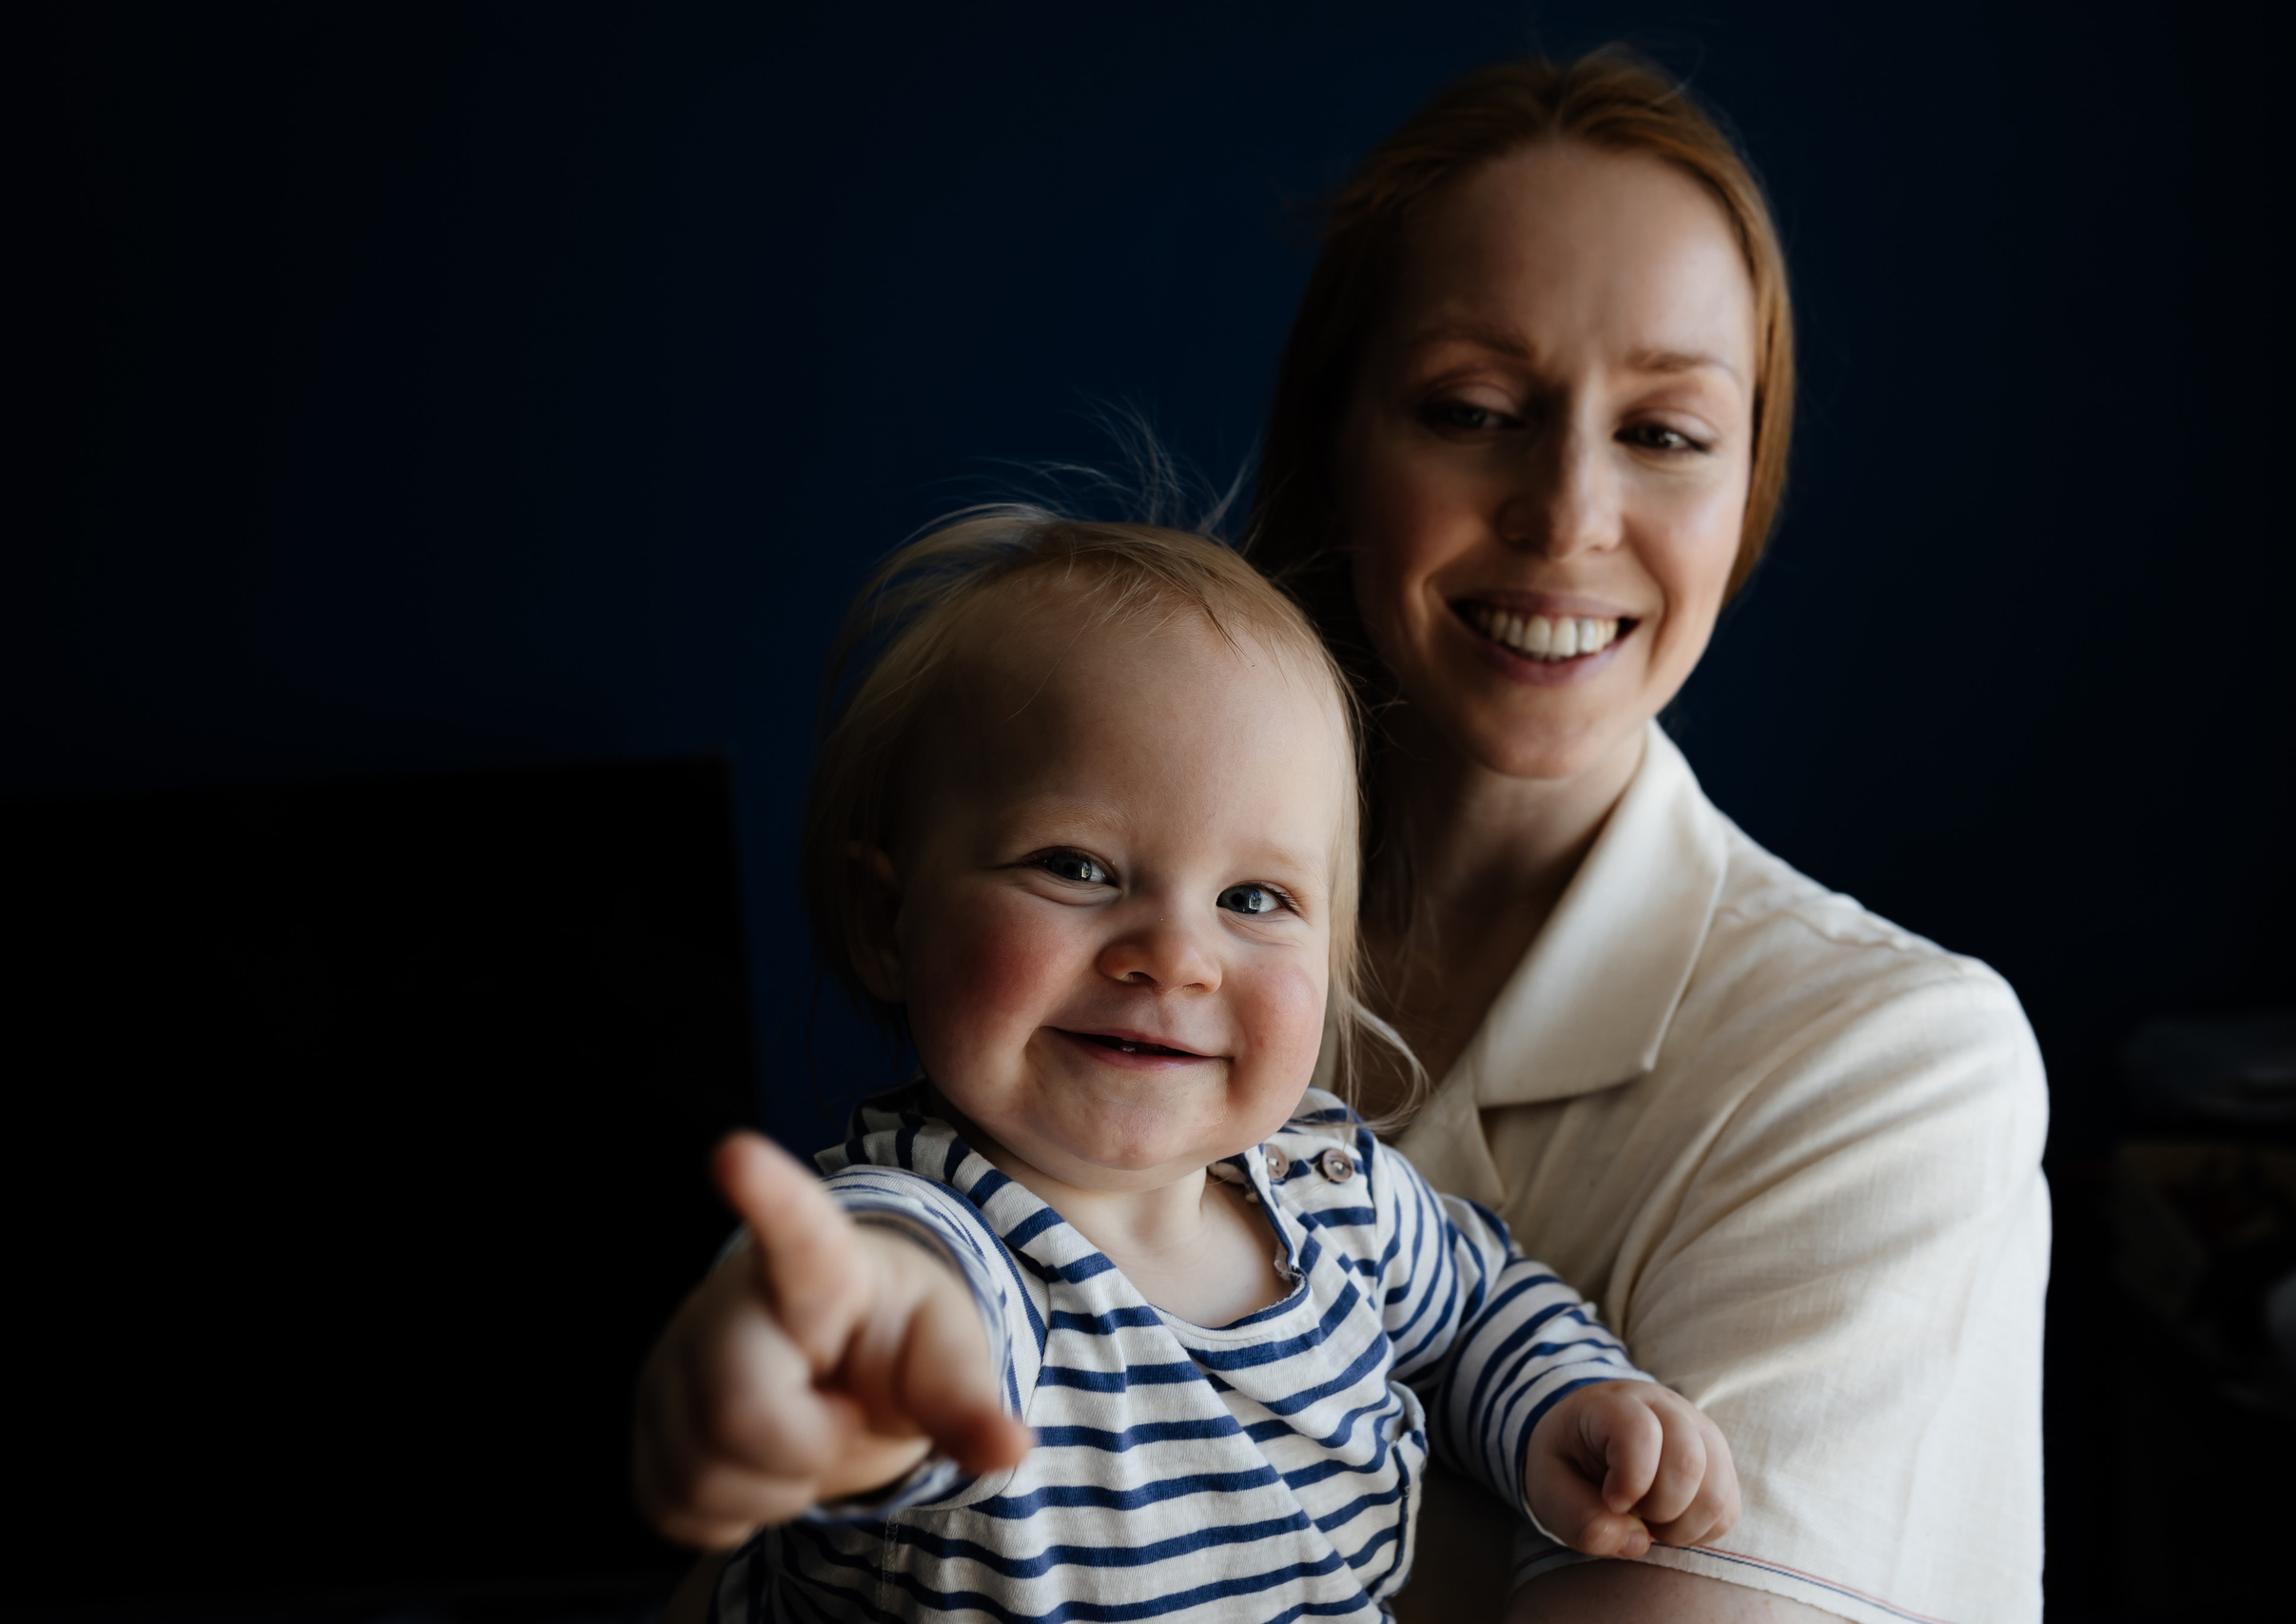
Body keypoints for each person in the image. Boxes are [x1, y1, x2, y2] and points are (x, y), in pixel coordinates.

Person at [1249, 51, 2050, 1624]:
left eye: (1668, 433)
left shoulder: (1892, 1062)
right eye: (1474, 409)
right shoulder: (1125, 940)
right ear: (1337, 445)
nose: (1566, 513)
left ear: (1748, 497)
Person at [632, 513, 1741, 1622]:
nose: (1175, 956)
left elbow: (1474, 1311)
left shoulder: (1331, 1190)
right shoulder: (942, 1226)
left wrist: (1567, 1403)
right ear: (889, 919)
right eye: (1075, 866)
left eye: (1254, 899)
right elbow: (892, 1291)